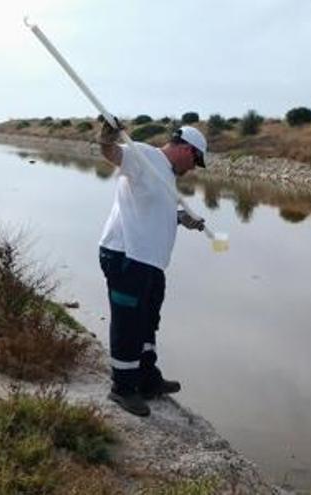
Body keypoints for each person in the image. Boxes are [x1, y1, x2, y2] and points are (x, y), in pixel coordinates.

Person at [97, 120, 207, 417]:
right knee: (128, 322)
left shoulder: (166, 175)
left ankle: (147, 379)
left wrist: (182, 218)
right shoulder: (144, 155)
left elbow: (155, 210)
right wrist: (106, 138)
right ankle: (122, 388)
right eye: (195, 159)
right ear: (186, 149)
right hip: (126, 256)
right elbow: (113, 153)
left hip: (150, 263)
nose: (194, 167)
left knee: (147, 321)